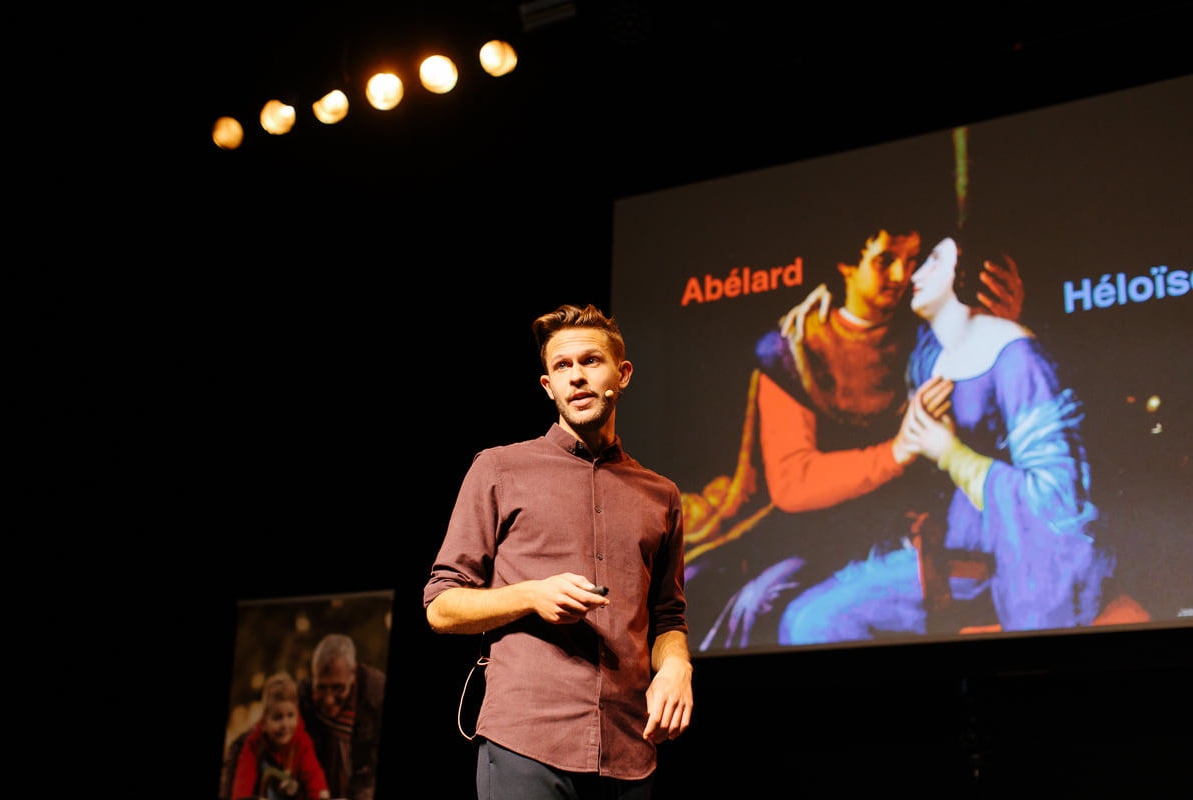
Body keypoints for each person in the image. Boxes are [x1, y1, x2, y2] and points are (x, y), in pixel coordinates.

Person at [701, 229, 1022, 648]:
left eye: (912, 261)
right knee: (753, 603)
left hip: (906, 529)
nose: (902, 275)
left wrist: (997, 327)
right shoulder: (795, 344)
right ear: (846, 264)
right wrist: (896, 452)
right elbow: (793, 483)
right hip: (815, 531)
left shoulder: (923, 327)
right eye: (885, 260)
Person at [778, 236, 1110, 641]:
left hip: (994, 562)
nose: (913, 274)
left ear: (972, 276)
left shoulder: (1017, 358)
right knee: (804, 617)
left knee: (814, 622)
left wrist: (951, 454)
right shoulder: (928, 353)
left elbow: (1056, 500)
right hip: (934, 545)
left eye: (932, 261)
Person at [424, 303, 692, 800]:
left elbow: (668, 617)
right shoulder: (500, 469)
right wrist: (530, 595)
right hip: (527, 739)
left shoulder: (661, 495)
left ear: (623, 373)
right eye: (562, 367)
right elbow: (441, 606)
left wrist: (676, 665)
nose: (577, 377)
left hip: (629, 749)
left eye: (591, 361)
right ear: (548, 386)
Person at [297, 634, 385, 800]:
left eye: (338, 688)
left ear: (353, 674)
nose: (329, 700)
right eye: (321, 688)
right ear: (313, 677)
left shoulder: (378, 697)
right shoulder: (301, 699)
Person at [231, 673, 330, 800]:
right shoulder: (253, 745)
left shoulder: (302, 743)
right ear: (264, 722)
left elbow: (314, 777)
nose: (285, 724)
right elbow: (242, 785)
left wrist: (320, 794)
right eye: (278, 717)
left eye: (290, 715)